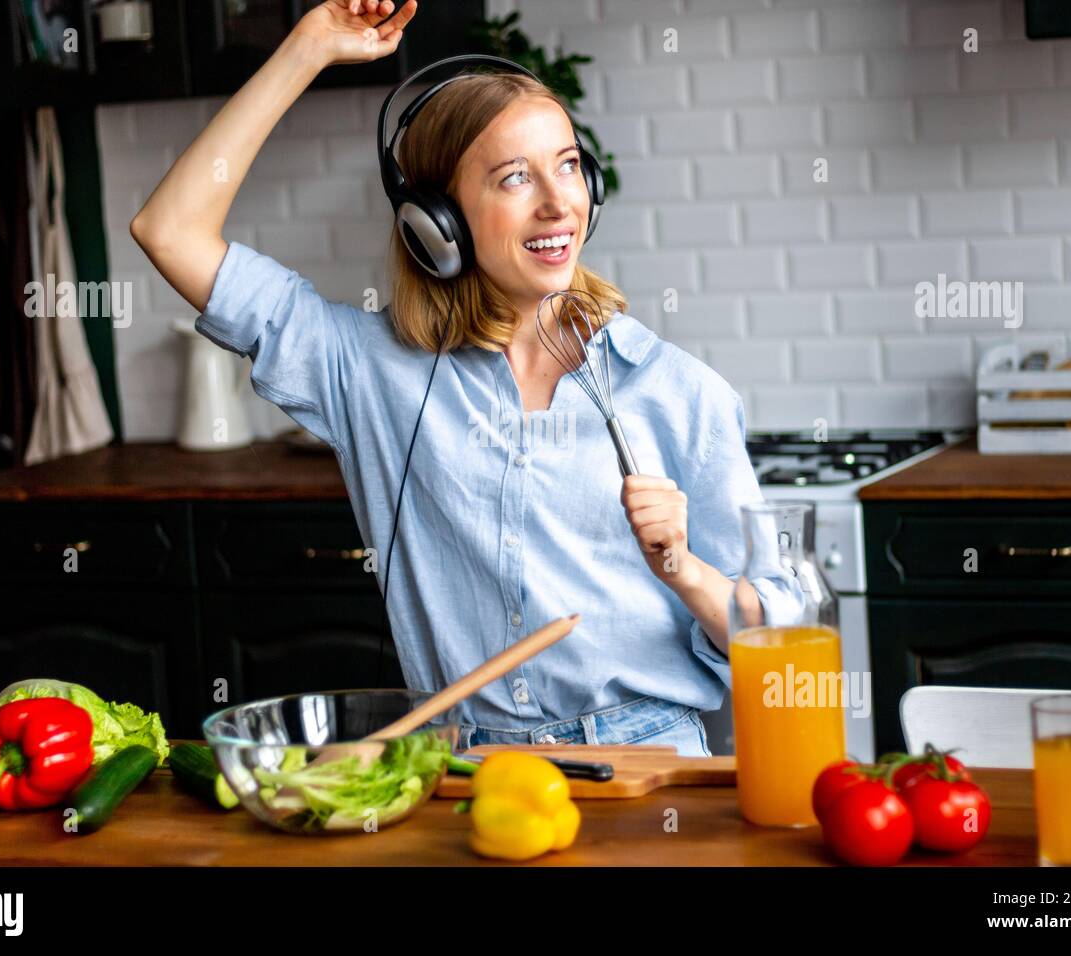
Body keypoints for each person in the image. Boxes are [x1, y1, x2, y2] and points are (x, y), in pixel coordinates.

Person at [131, 0, 802, 757]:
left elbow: (780, 648)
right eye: (516, 177)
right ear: (435, 222)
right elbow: (170, 230)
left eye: (570, 166)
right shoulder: (369, 372)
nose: (559, 203)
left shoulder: (678, 392)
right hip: (459, 768)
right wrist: (306, 50)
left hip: (646, 762)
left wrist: (685, 573)